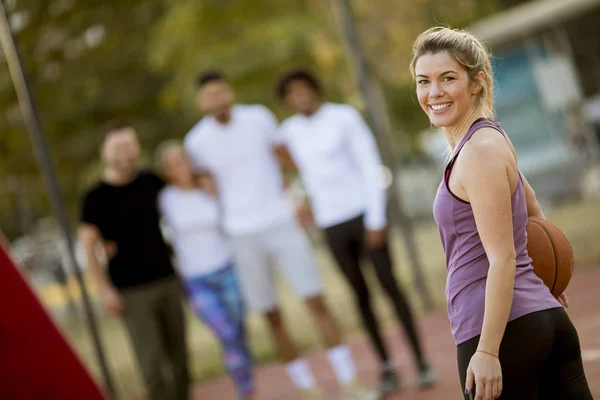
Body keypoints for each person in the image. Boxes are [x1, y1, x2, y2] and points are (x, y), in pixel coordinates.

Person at [411, 27, 593, 400]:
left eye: (448, 78)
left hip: (501, 332)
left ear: (477, 82)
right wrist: (546, 287)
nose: (434, 93)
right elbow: (534, 212)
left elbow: (503, 256)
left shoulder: (477, 152)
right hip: (545, 321)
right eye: (423, 81)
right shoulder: (491, 138)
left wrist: (489, 350)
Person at [184, 71, 376, 400]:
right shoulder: (195, 142)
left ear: (229, 91)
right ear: (201, 102)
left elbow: (289, 160)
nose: (216, 100)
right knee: (271, 315)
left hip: (280, 222)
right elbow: (200, 185)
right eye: (209, 96)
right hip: (240, 235)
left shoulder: (258, 117)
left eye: (220, 92)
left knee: (316, 301)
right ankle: (308, 389)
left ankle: (350, 383)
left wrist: (301, 194)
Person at [276, 69, 437, 396]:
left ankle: (421, 361)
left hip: (364, 216)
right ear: (287, 101)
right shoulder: (288, 132)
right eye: (292, 93)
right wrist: (297, 201)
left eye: (304, 89)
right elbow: (282, 164)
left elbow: (369, 165)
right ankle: (388, 368)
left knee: (390, 288)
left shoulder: (343, 117)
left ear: (314, 89)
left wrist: (376, 220)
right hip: (331, 225)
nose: (300, 96)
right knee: (360, 296)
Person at [79, 121, 189, 400]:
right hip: (131, 291)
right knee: (151, 366)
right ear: (105, 152)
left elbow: (182, 203)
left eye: (130, 146)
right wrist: (104, 289)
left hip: (167, 279)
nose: (125, 154)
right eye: (118, 148)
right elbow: (89, 248)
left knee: (180, 359)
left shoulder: (151, 181)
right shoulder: (94, 198)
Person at [156, 140, 255, 400]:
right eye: (173, 163)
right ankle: (245, 392)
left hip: (227, 269)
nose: (181, 166)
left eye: (183, 159)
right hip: (196, 278)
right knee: (227, 333)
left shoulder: (209, 189)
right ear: (167, 171)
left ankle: (247, 382)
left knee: (239, 332)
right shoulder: (166, 199)